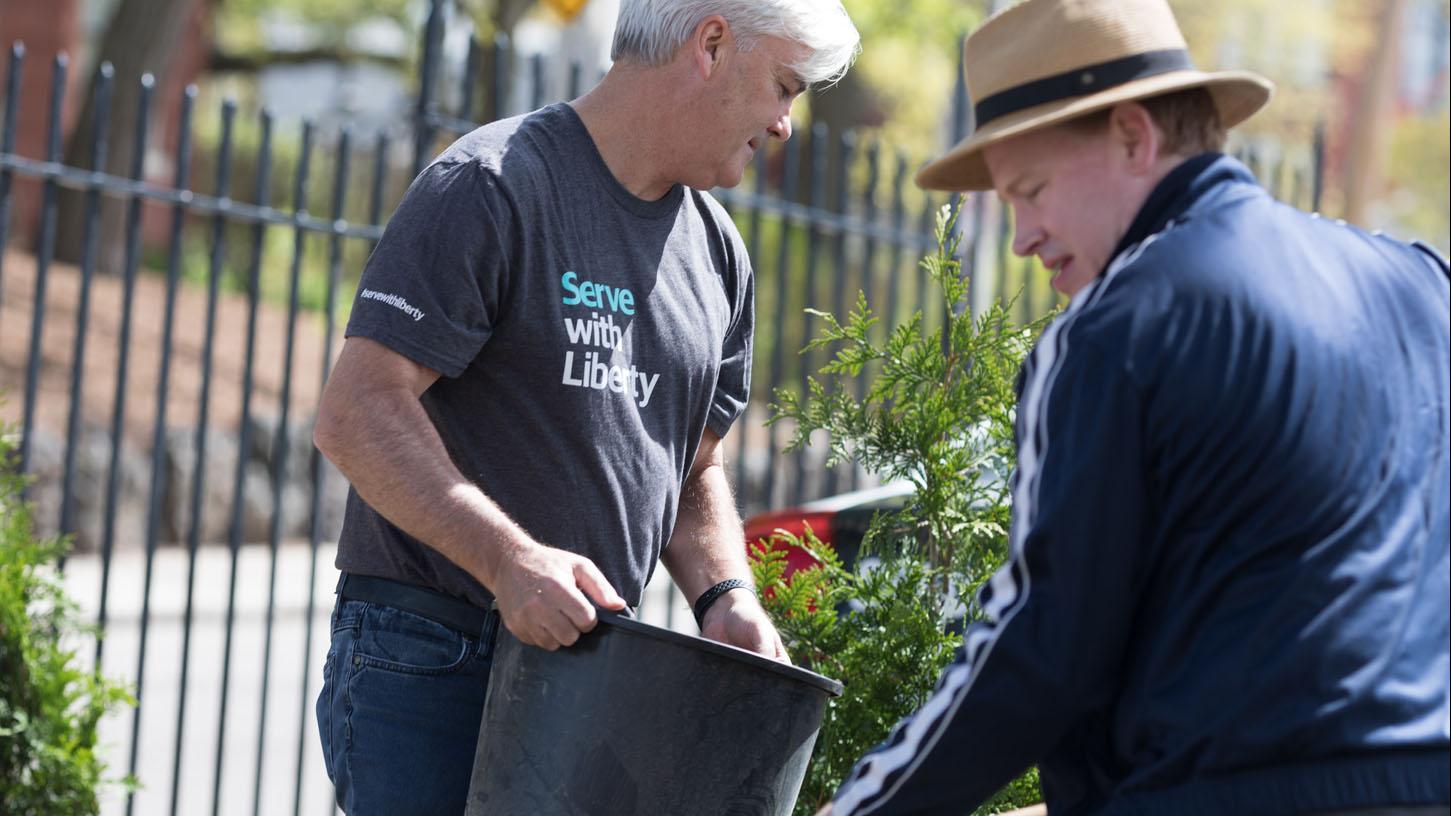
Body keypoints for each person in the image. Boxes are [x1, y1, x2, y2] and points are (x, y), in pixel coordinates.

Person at [820, 1, 1451, 814]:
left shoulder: (1118, 326)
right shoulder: (1422, 286)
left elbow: (1039, 652)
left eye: (1030, 190)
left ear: (1131, 134)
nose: (1020, 236)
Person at [310, 1, 860, 812]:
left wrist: (724, 596)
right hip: (433, 652)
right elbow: (356, 413)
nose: (785, 125)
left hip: (594, 671)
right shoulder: (492, 183)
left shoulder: (719, 257)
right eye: (784, 86)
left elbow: (694, 467)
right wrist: (509, 561)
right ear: (710, 43)